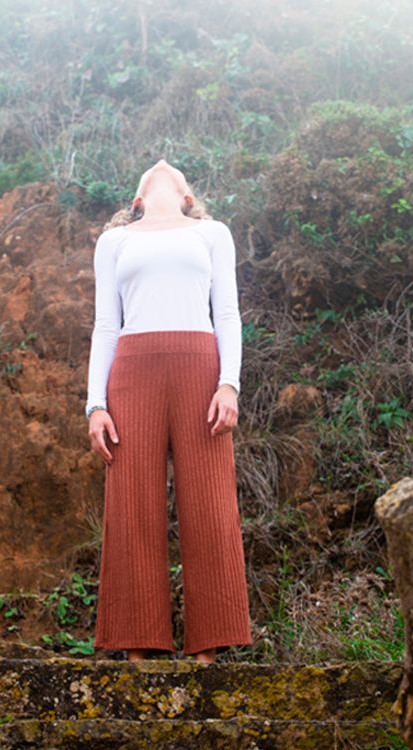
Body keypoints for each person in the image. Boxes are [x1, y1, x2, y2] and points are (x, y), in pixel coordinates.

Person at [86, 158, 252, 664]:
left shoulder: (211, 232)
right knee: (131, 501)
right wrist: (96, 404)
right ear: (136, 200)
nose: (160, 165)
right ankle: (139, 643)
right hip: (132, 370)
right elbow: (105, 325)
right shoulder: (115, 241)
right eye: (149, 172)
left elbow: (226, 311)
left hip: (201, 366)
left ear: (187, 196)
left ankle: (209, 645)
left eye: (173, 172)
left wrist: (230, 383)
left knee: (210, 498)